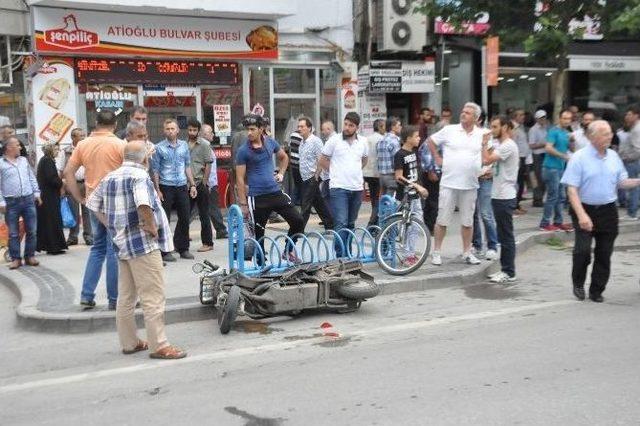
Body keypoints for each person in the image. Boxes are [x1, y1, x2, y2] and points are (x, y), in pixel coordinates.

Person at [87, 141, 187, 359]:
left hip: (122, 243)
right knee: (153, 296)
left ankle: (129, 342)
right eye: (149, 156)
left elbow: (93, 204)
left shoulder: (111, 176)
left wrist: (112, 225)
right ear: (144, 158)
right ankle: (159, 345)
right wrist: (151, 226)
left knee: (126, 297)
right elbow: (143, 203)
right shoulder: (140, 176)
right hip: (142, 245)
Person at [561, 120, 640, 302]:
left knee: (604, 253)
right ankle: (578, 282)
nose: (609, 136)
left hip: (608, 211)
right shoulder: (579, 157)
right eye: (605, 134)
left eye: (610, 133)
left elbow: (621, 182)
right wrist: (581, 215)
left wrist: (637, 181)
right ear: (592, 137)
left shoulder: (613, 156)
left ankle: (597, 290)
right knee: (582, 251)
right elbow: (571, 189)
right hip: (584, 208)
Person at [65, 111, 125, 310]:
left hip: (92, 202)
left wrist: (79, 197)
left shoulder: (83, 145)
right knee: (113, 250)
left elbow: (68, 173)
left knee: (98, 249)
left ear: (96, 123)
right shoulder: (119, 145)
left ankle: (87, 294)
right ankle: (114, 299)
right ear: (115, 125)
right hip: (113, 204)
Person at [235, 114, 304, 262]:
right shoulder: (243, 151)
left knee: (298, 220)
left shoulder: (270, 143)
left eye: (252, 129)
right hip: (257, 197)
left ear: (261, 129)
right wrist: (243, 204)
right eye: (248, 129)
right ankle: (260, 261)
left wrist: (281, 173)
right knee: (259, 233)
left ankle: (288, 251)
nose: (249, 132)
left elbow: (284, 157)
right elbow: (239, 179)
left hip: (275, 193)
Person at [427, 102, 485, 266]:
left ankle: (467, 252)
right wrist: (437, 157)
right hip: (449, 183)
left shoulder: (482, 134)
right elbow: (430, 141)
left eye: (468, 112)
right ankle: (437, 252)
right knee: (442, 219)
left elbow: (487, 154)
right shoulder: (449, 130)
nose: (463, 114)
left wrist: (485, 168)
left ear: (476, 118)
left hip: (470, 184)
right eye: (463, 111)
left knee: (467, 221)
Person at [319, 112, 368, 258]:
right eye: (345, 124)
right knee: (341, 222)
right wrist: (334, 170)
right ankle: (341, 256)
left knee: (351, 223)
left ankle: (349, 254)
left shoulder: (363, 142)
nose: (347, 128)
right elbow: (322, 160)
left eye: (351, 125)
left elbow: (364, 160)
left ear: (357, 127)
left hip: (357, 188)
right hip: (338, 188)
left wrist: (355, 171)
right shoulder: (334, 140)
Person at [151, 118, 198, 262]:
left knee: (185, 217)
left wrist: (192, 184)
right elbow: (155, 171)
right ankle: (164, 251)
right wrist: (157, 189)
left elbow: (187, 166)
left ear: (178, 130)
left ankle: (183, 248)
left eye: (173, 128)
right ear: (164, 131)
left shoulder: (184, 146)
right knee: (164, 219)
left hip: (182, 186)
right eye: (168, 129)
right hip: (166, 186)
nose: (170, 131)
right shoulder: (159, 148)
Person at [482, 116, 520, 283]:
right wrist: (489, 173)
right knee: (503, 235)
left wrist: (484, 143)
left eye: (495, 126)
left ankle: (509, 272)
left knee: (506, 236)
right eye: (491, 126)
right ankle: (506, 270)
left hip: (505, 196)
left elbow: (487, 159)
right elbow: (495, 167)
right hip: (499, 194)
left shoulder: (508, 145)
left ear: (505, 127)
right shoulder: (503, 146)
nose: (492, 130)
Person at [0, 136, 41, 269]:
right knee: (13, 233)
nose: (20, 147)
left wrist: (37, 194)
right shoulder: (1, 164)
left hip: (28, 199)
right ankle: (16, 258)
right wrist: (1, 202)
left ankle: (29, 256)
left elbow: (31, 178)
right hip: (11, 202)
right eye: (17, 145)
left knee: (32, 230)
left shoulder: (23, 160)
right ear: (9, 148)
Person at [393, 125, 428, 265]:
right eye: (416, 136)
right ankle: (407, 255)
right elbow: (399, 177)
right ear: (408, 139)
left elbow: (415, 174)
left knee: (416, 225)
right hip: (405, 197)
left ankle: (410, 253)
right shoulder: (399, 154)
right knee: (406, 226)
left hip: (415, 196)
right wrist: (417, 186)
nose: (419, 138)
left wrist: (419, 188)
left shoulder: (413, 153)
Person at [539, 109, 574, 232]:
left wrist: (572, 140)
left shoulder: (566, 133)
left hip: (560, 168)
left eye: (569, 119)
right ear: (559, 118)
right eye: (564, 118)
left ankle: (558, 222)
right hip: (550, 167)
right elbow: (548, 148)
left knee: (561, 196)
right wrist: (563, 156)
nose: (566, 121)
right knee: (553, 196)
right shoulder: (553, 131)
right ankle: (545, 223)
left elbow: (572, 149)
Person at [58, 128, 93, 246]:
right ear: (73, 138)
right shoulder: (65, 151)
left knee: (87, 211)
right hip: (71, 184)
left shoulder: (89, 149)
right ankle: (73, 237)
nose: (83, 138)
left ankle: (89, 235)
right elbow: (61, 170)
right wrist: (61, 187)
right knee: (73, 211)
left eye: (84, 135)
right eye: (80, 136)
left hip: (86, 183)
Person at [297, 116, 333, 230]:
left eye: (302, 126)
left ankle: (298, 228)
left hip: (313, 177)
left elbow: (321, 158)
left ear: (309, 128)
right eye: (298, 126)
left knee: (305, 204)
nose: (299, 128)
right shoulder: (302, 143)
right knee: (318, 202)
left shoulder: (315, 141)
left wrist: (317, 175)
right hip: (305, 177)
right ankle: (330, 223)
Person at [185, 118, 215, 252]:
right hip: (186, 184)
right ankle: (182, 242)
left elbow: (208, 164)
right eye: (190, 130)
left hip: (200, 183)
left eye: (194, 130)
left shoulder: (204, 144)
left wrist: (204, 182)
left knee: (204, 214)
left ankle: (208, 243)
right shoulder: (183, 145)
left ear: (198, 131)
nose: (192, 132)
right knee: (184, 215)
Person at [36, 143, 67, 255]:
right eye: (56, 149)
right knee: (52, 220)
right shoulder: (48, 161)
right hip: (49, 196)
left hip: (48, 194)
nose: (58, 151)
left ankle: (52, 246)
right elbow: (51, 178)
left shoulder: (44, 160)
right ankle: (54, 247)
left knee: (50, 220)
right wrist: (62, 182)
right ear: (50, 150)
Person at [201, 124, 228, 239]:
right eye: (210, 132)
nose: (213, 134)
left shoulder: (206, 146)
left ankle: (221, 229)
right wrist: (208, 183)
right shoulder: (203, 146)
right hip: (208, 183)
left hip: (209, 182)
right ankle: (221, 230)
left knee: (201, 208)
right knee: (212, 207)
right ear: (203, 134)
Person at [618, 105, 640, 221]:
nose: (626, 116)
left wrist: (627, 158)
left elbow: (638, 150)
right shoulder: (635, 127)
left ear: (636, 116)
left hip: (633, 162)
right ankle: (632, 212)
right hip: (633, 161)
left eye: (629, 114)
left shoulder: (636, 129)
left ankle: (632, 213)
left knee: (633, 187)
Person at [363, 119, 384, 226]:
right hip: (377, 173)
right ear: (380, 127)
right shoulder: (382, 139)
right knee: (378, 199)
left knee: (374, 198)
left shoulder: (367, 139)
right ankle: (372, 223)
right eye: (383, 126)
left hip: (366, 172)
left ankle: (374, 221)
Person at [418, 135, 440, 234]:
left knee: (431, 201)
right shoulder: (430, 142)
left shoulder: (433, 141)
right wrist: (431, 171)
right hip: (432, 174)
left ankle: (429, 225)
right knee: (433, 201)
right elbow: (426, 157)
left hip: (433, 173)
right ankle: (430, 226)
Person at [511, 109, 530, 215]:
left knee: (521, 183)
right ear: (515, 116)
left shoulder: (521, 127)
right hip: (518, 158)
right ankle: (514, 206)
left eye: (523, 114)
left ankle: (517, 204)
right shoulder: (514, 128)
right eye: (521, 115)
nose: (523, 116)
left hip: (523, 157)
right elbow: (513, 144)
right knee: (517, 183)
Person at [528, 110, 549, 207]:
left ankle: (540, 198)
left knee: (544, 178)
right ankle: (537, 199)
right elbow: (532, 145)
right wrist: (544, 144)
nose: (543, 119)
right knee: (538, 178)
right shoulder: (533, 130)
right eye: (541, 118)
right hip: (537, 156)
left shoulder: (546, 128)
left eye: (544, 117)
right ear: (536, 119)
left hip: (545, 154)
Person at [377, 116, 402, 196]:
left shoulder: (380, 140)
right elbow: (397, 160)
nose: (401, 127)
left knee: (384, 200)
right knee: (391, 202)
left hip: (382, 175)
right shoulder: (395, 141)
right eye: (399, 125)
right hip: (391, 175)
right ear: (393, 127)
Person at [319, 120, 336, 208]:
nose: (322, 132)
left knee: (326, 196)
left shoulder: (332, 141)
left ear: (329, 129)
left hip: (330, 174)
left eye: (323, 129)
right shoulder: (332, 139)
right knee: (327, 196)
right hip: (330, 174)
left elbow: (326, 158)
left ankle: (330, 219)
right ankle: (330, 218)